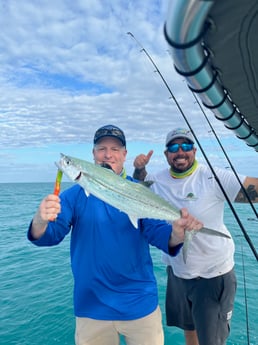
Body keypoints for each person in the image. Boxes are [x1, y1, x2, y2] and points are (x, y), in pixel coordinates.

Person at [27, 124, 204, 345]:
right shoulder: (74, 196)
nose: (108, 154)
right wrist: (40, 220)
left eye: (115, 149)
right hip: (92, 308)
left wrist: (178, 233)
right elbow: (51, 235)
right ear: (93, 154)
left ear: (124, 155)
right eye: (101, 148)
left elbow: (158, 233)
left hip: (139, 305)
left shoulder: (138, 190)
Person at [133, 127, 258, 345]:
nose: (180, 151)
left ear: (195, 150)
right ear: (166, 154)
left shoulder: (213, 176)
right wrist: (139, 170)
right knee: (189, 330)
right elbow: (139, 187)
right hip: (178, 273)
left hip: (213, 276)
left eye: (186, 146)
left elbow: (253, 190)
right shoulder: (157, 179)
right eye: (173, 147)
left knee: (212, 341)